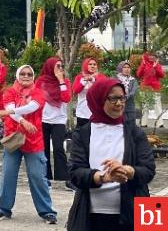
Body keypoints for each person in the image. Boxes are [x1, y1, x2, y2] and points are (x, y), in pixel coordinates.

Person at [66, 78, 156, 231]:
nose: (119, 103)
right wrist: (103, 177)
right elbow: (75, 173)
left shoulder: (135, 132)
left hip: (134, 212)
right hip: (91, 215)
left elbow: (149, 170)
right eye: (113, 98)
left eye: (122, 98)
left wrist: (128, 170)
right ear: (99, 99)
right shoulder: (82, 134)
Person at [0, 65, 58, 224]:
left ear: (33, 76)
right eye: (23, 73)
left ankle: (47, 211)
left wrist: (10, 113)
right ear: (17, 75)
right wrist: (21, 120)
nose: (26, 76)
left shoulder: (38, 92)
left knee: (37, 177)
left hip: (34, 141)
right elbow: (10, 107)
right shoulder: (9, 91)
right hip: (13, 139)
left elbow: (32, 107)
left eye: (29, 74)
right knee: (8, 174)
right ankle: (3, 209)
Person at [37, 57, 73, 188]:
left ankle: (64, 178)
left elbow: (66, 98)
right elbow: (35, 98)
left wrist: (61, 81)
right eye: (57, 66)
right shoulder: (41, 81)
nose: (60, 69)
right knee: (44, 149)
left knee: (58, 148)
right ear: (50, 67)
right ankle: (45, 177)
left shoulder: (65, 82)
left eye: (61, 66)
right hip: (43, 119)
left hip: (59, 120)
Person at [73, 58, 106, 128]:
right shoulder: (79, 77)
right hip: (82, 112)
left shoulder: (101, 77)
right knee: (82, 136)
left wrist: (93, 79)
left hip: (97, 112)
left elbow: (104, 89)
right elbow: (75, 90)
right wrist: (84, 81)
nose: (92, 66)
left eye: (94, 64)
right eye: (90, 64)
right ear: (85, 65)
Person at [137, 52, 165, 127]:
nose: (151, 57)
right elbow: (138, 74)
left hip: (155, 88)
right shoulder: (143, 64)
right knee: (145, 107)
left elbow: (162, 75)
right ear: (146, 56)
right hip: (145, 88)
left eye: (152, 55)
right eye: (149, 55)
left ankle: (160, 124)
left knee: (157, 106)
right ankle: (143, 123)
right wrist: (143, 64)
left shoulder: (157, 65)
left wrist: (155, 67)